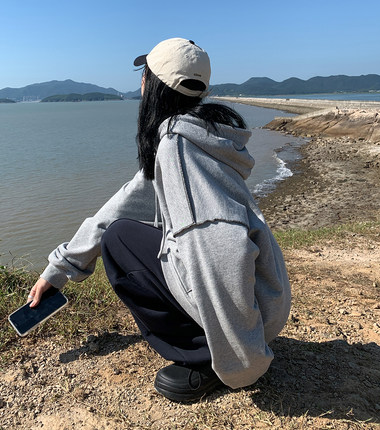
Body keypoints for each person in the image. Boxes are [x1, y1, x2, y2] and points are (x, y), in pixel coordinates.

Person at [28, 37, 291, 402]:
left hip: (249, 323)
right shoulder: (199, 133)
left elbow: (221, 245)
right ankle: (222, 339)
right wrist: (58, 270)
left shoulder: (177, 146)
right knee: (124, 229)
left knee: (120, 241)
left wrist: (241, 361)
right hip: (268, 299)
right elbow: (124, 204)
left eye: (144, 75)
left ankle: (203, 355)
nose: (140, 84)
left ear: (153, 85)